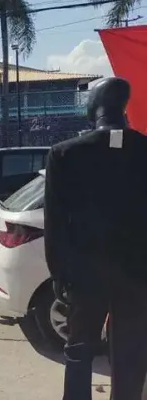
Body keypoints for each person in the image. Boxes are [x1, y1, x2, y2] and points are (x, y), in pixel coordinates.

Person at [45, 77, 147, 400]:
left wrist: (59, 272)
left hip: (85, 275)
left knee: (79, 351)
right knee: (131, 355)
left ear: (97, 105)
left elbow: (56, 224)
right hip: (138, 275)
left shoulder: (64, 155)